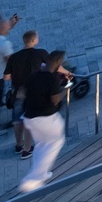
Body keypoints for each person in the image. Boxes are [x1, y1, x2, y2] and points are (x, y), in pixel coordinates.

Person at [17, 50, 69, 192]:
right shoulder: (51, 79)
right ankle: (33, 180)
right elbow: (55, 100)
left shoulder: (34, 76)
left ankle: (42, 173)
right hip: (45, 117)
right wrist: (65, 89)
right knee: (56, 141)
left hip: (29, 117)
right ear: (58, 63)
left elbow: (21, 92)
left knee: (41, 144)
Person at [6, 29, 48, 159]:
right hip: (32, 92)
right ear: (34, 40)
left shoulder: (14, 57)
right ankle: (27, 149)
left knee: (17, 119)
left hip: (18, 92)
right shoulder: (40, 53)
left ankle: (18, 145)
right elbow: (54, 65)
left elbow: (6, 77)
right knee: (30, 119)